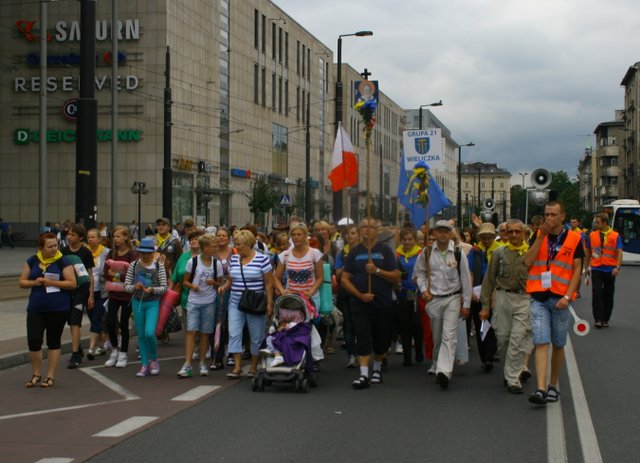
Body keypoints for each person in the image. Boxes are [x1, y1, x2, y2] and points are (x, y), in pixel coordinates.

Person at [524, 201, 583, 405]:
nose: (549, 218)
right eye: (546, 214)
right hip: (539, 296)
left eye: (553, 214)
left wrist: (568, 297)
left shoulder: (575, 238)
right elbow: (528, 262)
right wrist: (540, 237)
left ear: (562, 216)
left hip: (560, 298)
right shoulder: (538, 235)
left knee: (558, 343)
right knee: (541, 341)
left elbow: (577, 270)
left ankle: (552, 385)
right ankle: (541, 388)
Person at [341, 217, 401, 389]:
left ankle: (377, 368)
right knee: (362, 336)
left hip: (382, 301)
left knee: (381, 339)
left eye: (371, 227)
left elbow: (396, 276)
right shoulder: (354, 252)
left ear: (377, 231)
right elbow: (345, 279)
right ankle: (363, 374)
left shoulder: (385, 251)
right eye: (364, 227)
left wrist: (377, 271)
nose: (367, 230)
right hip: (360, 303)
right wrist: (360, 295)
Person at [414, 220, 472, 390]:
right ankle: (436, 361)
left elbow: (465, 279)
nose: (443, 234)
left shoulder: (458, 253)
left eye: (446, 231)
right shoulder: (426, 252)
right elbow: (419, 273)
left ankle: (444, 371)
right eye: (439, 231)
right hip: (433, 299)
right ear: (434, 233)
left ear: (451, 233)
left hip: (452, 298)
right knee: (437, 336)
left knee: (449, 335)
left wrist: (466, 303)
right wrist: (424, 289)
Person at [480, 219, 531, 394]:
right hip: (503, 297)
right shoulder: (499, 253)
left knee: (518, 338)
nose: (514, 235)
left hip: (524, 298)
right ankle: (510, 370)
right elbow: (489, 280)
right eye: (510, 232)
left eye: (518, 231)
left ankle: (513, 379)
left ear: (523, 233)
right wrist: (485, 306)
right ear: (505, 234)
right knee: (503, 338)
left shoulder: (530, 253)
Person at [20, 233, 77, 388]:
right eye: (50, 246)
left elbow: (72, 283)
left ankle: (50, 376)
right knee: (34, 341)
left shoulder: (63, 261)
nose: (54, 249)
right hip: (36, 308)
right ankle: (36, 374)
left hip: (58, 308)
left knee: (53, 341)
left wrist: (52, 282)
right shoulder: (32, 260)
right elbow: (22, 282)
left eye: (55, 245)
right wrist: (34, 282)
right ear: (41, 248)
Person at [226, 229, 274, 378]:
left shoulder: (262, 259)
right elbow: (230, 279)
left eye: (239, 244)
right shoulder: (234, 259)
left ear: (249, 244)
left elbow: (269, 283)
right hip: (235, 301)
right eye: (235, 244)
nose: (236, 247)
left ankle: (253, 366)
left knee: (256, 335)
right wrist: (223, 287)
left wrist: (269, 303)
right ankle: (237, 367)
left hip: (255, 302)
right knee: (234, 333)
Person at [177, 234, 225, 378]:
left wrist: (214, 283)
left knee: (205, 333)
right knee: (191, 331)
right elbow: (185, 282)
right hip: (193, 301)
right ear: (205, 248)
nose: (216, 248)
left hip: (209, 302)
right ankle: (187, 364)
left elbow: (219, 283)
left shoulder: (216, 264)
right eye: (214, 246)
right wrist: (193, 286)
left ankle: (203, 362)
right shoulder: (192, 262)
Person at [124, 237, 168, 377]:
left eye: (148, 253)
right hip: (137, 302)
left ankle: (153, 360)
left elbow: (164, 287)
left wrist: (153, 290)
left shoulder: (159, 266)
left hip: (152, 303)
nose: (145, 255)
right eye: (142, 253)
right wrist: (134, 287)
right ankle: (144, 364)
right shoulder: (133, 265)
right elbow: (126, 286)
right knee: (141, 334)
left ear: (153, 253)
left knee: (150, 332)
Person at [467, 222, 501, 373]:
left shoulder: (500, 250)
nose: (487, 240)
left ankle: (490, 355)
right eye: (484, 237)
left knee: (493, 324)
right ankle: (484, 358)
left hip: (495, 289)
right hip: (478, 289)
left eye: (489, 237)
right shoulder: (474, 251)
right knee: (479, 323)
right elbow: (470, 272)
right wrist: (470, 291)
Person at [103, 226, 137, 368]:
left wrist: (115, 274)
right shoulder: (111, 253)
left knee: (124, 323)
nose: (115, 239)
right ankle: (114, 350)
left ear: (126, 237)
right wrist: (120, 275)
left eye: (118, 236)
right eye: (114, 237)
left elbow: (131, 275)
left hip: (127, 294)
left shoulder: (132, 254)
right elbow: (106, 273)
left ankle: (123, 353)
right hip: (113, 293)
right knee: (110, 321)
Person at [61, 223, 95, 369]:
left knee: (75, 321)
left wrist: (91, 295)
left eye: (73, 235)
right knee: (70, 320)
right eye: (68, 234)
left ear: (80, 237)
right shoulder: (63, 252)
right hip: (67, 290)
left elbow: (90, 274)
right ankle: (79, 349)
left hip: (81, 291)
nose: (69, 237)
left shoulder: (85, 252)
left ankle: (75, 354)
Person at [584, 212, 623, 328]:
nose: (595, 224)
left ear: (605, 223)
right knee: (597, 293)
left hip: (610, 269)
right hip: (596, 268)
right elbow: (588, 252)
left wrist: (617, 267)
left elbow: (619, 252)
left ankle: (605, 319)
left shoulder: (615, 236)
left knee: (608, 295)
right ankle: (598, 319)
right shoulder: (592, 235)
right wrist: (586, 267)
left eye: (598, 222)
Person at [395, 227, 424, 366]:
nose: (407, 242)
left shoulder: (421, 253)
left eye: (410, 239)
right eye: (404, 239)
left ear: (415, 240)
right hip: (402, 292)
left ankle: (418, 351)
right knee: (404, 325)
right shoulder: (396, 254)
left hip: (417, 293)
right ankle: (407, 356)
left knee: (417, 325)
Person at [210, 227, 237, 370]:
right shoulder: (211, 253)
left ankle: (232, 354)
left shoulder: (235, 252)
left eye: (224, 235)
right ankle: (217, 357)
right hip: (214, 292)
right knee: (216, 324)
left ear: (229, 238)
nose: (221, 237)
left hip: (233, 292)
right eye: (218, 235)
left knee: (232, 323)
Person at [334, 224, 361, 368]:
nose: (350, 236)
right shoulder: (342, 253)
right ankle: (352, 355)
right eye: (348, 233)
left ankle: (363, 353)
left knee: (361, 324)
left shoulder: (364, 251)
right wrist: (348, 264)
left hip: (361, 291)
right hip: (346, 292)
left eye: (353, 233)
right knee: (348, 324)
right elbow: (338, 274)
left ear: (359, 235)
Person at [86, 228, 110, 360]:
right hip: (89, 291)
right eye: (89, 237)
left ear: (99, 239)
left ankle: (91, 348)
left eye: (93, 237)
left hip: (102, 291)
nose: (90, 239)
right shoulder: (85, 252)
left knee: (96, 318)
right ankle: (102, 345)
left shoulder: (106, 252)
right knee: (93, 319)